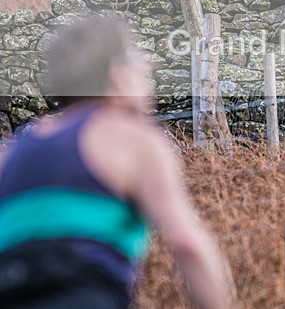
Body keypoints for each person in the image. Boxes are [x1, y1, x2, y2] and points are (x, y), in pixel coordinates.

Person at [0, 16, 235, 309]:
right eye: (141, 64)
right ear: (119, 74)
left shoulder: (10, 157)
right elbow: (188, 244)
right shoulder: (132, 140)